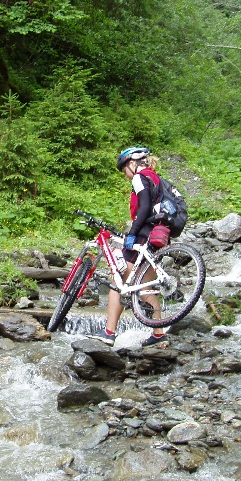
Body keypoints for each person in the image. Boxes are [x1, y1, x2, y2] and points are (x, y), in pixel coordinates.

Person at [89, 146, 167, 348]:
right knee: (143, 286)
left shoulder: (140, 178)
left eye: (124, 169)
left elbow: (145, 207)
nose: (125, 175)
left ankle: (109, 332)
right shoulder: (154, 177)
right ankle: (159, 334)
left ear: (132, 164)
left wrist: (132, 234)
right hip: (158, 236)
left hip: (143, 236)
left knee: (119, 280)